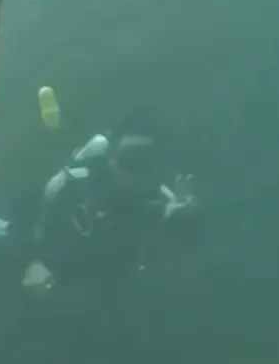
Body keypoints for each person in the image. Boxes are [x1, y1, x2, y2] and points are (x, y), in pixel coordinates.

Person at [11, 105, 202, 297]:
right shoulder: (74, 185)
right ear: (111, 157)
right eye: (130, 160)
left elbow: (190, 254)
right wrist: (32, 263)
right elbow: (26, 222)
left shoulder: (165, 203)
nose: (135, 172)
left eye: (145, 162)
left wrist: (188, 221)